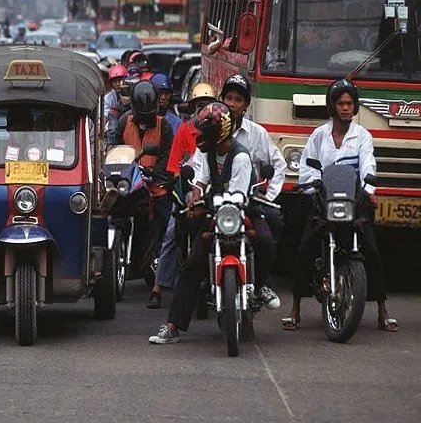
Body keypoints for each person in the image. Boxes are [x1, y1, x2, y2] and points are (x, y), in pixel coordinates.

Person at [149, 101, 277, 344]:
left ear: (218, 134)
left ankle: (259, 286)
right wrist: (195, 194)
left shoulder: (240, 157)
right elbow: (199, 179)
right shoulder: (205, 152)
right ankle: (172, 325)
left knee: (266, 240)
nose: (197, 136)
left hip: (241, 209)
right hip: (215, 211)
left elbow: (238, 196)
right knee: (192, 262)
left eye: (203, 132)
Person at [282, 79, 398, 332]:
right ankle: (295, 309)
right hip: (324, 201)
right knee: (304, 249)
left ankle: (382, 310)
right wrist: (312, 187)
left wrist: (369, 191)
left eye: (349, 103)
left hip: (353, 203)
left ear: (355, 107)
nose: (345, 108)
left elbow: (368, 166)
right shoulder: (319, 135)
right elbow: (307, 167)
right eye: (340, 103)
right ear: (332, 106)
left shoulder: (362, 136)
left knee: (373, 251)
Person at [147, 82, 216, 309]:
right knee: (171, 234)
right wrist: (182, 185)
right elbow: (174, 166)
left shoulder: (220, 131)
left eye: (207, 105)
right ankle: (158, 288)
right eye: (200, 105)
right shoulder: (184, 131)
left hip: (211, 193)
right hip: (186, 190)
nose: (204, 109)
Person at [218, 74, 285, 300]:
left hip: (249, 202)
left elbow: (278, 164)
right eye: (228, 98)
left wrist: (269, 195)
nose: (232, 104)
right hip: (216, 202)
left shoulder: (258, 133)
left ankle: (261, 282)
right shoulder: (211, 128)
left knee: (270, 231)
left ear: (246, 105)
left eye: (238, 99)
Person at [108, 82, 173, 295]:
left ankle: (159, 261)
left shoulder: (165, 126)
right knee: (114, 211)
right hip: (129, 181)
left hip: (156, 183)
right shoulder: (123, 122)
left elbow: (166, 156)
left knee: (164, 219)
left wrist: (159, 175)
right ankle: (114, 249)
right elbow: (114, 148)